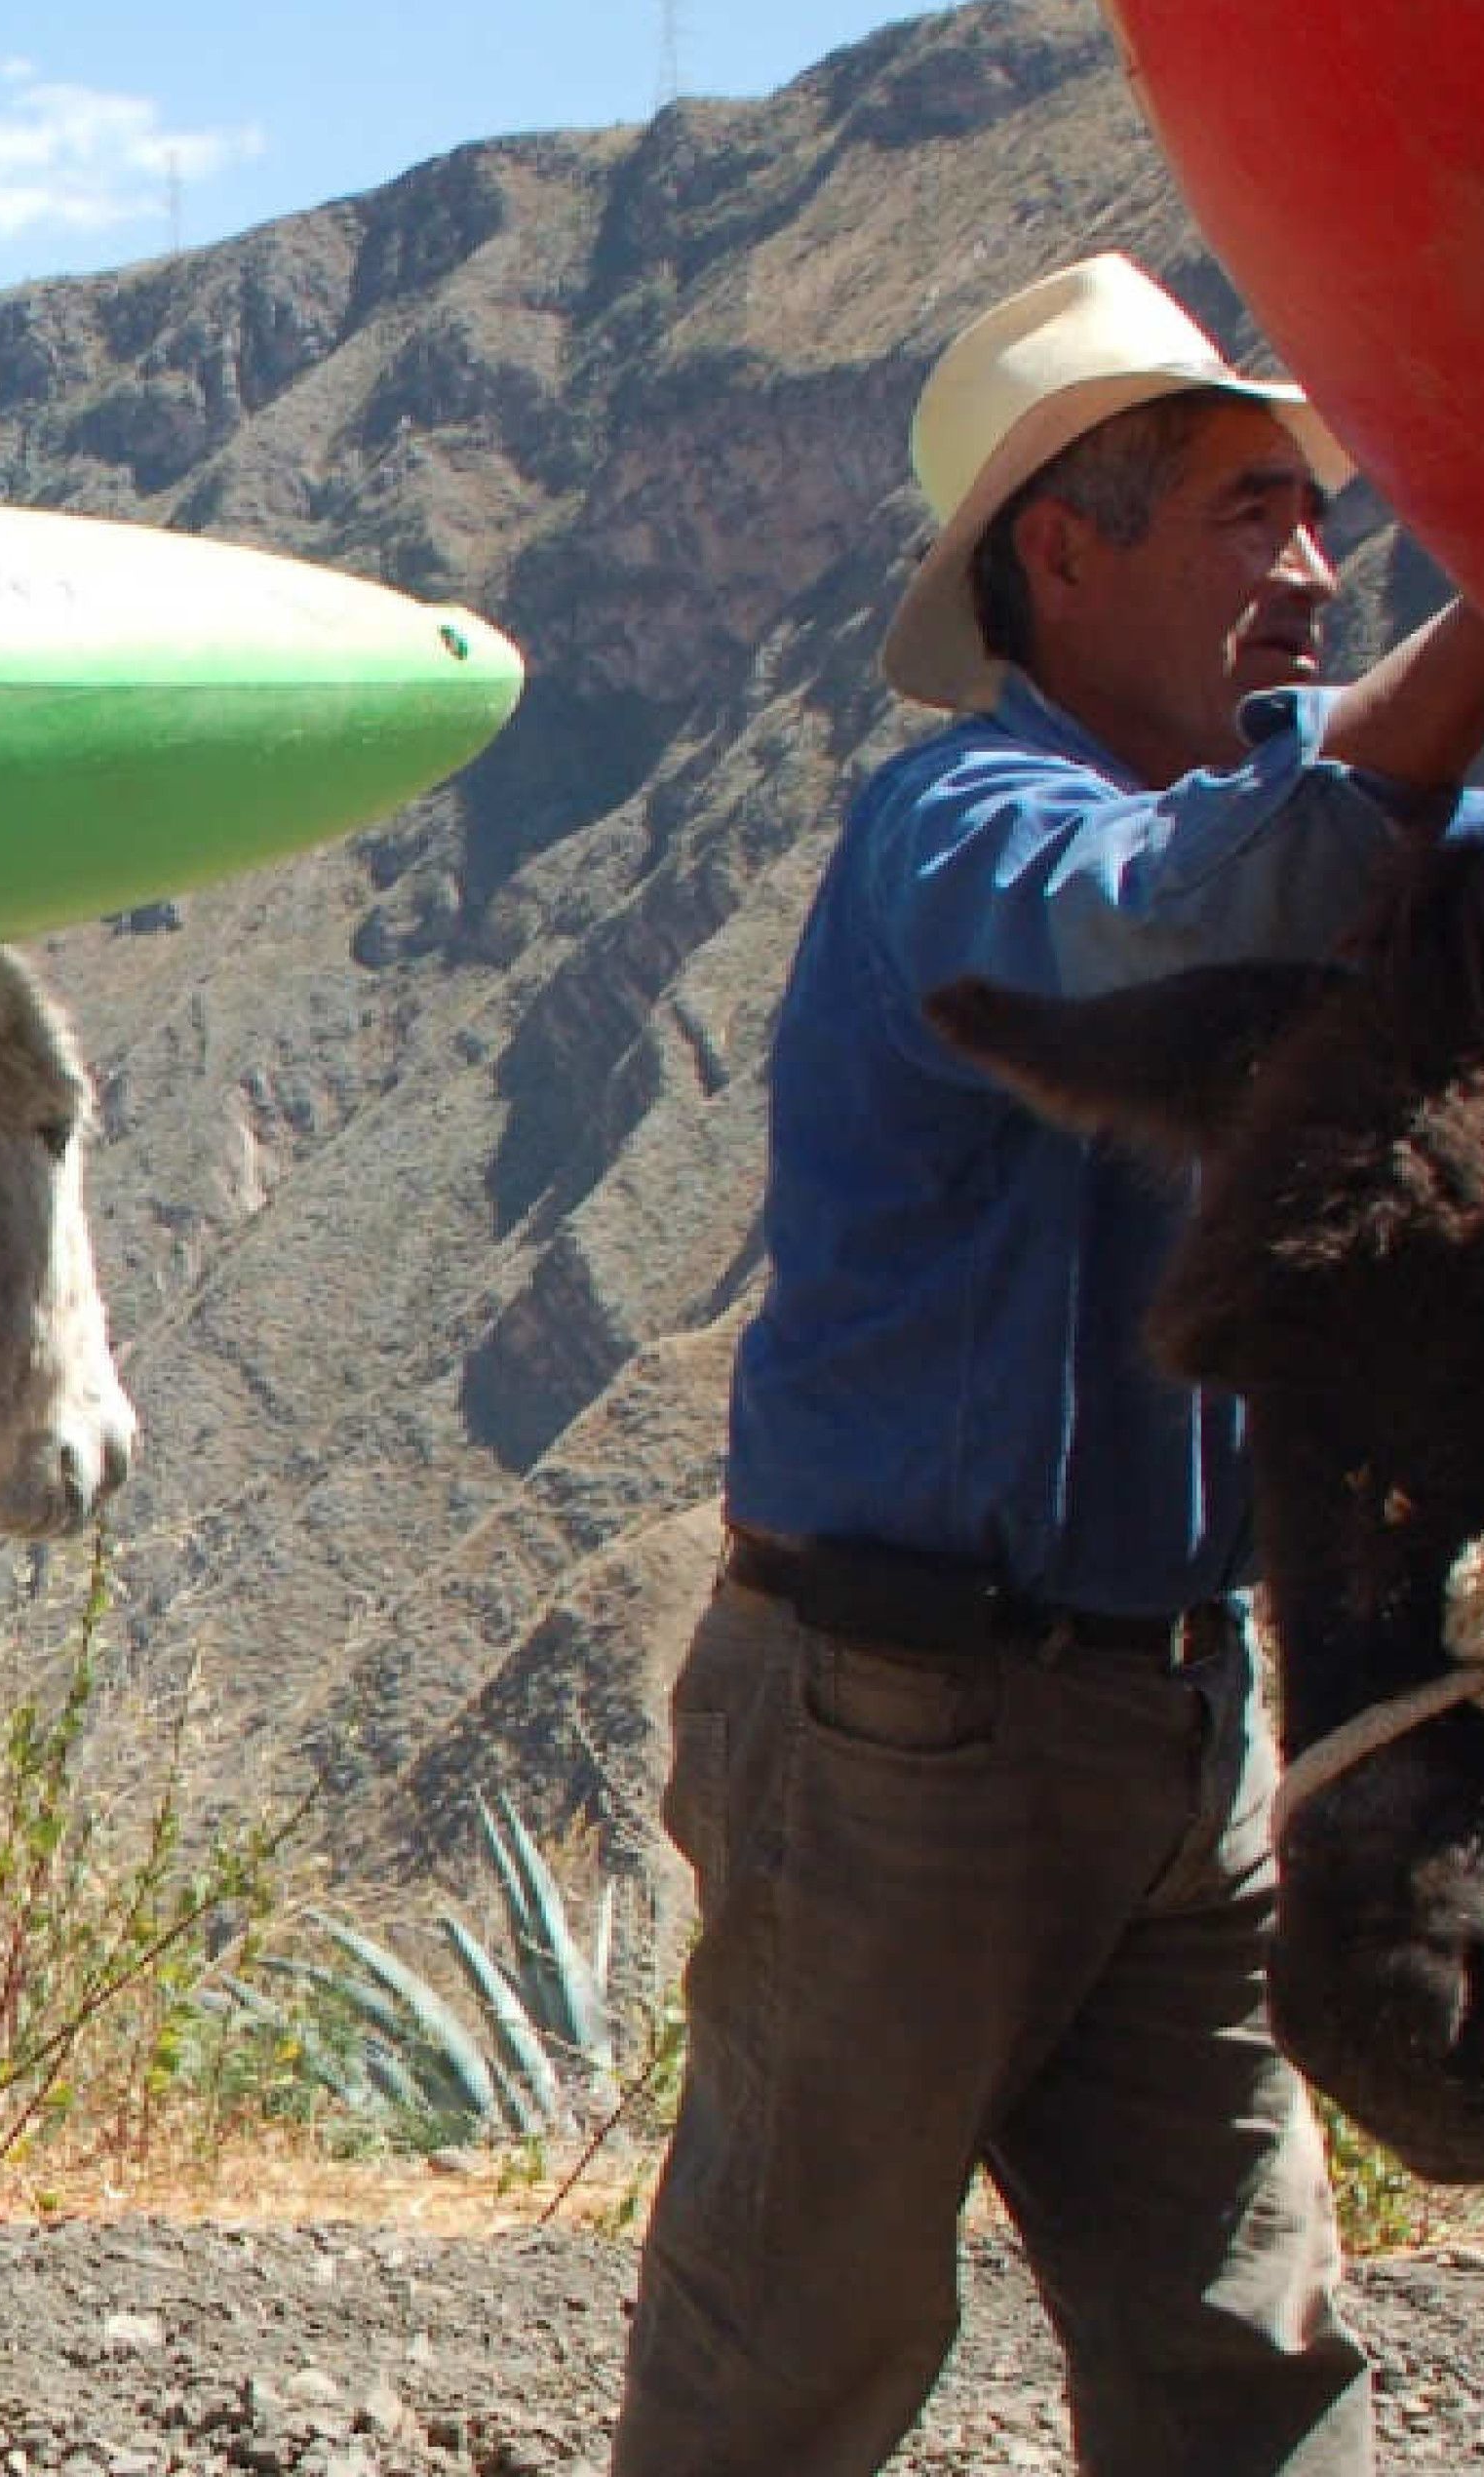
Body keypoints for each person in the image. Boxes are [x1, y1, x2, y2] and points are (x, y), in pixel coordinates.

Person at [612, 252, 1484, 2476]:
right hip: (904, 1731)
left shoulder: (1344, 816)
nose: (1313, 567)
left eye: (1319, 511)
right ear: (1061, 557)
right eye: (1241, 513)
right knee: (786, 2368)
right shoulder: (963, 833)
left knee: (1242, 2361)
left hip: (1184, 1728)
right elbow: (1181, 915)